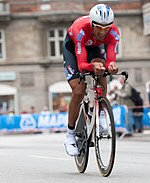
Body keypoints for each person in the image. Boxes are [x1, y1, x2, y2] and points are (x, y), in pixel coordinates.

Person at [62, 4, 119, 156]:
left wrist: (111, 65)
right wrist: (92, 66)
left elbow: (111, 58)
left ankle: (100, 114)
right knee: (79, 90)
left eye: (106, 27)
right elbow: (81, 65)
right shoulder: (80, 30)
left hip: (94, 47)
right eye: (99, 27)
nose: (103, 31)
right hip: (74, 48)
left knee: (102, 72)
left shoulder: (113, 33)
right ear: (92, 24)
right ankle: (70, 134)